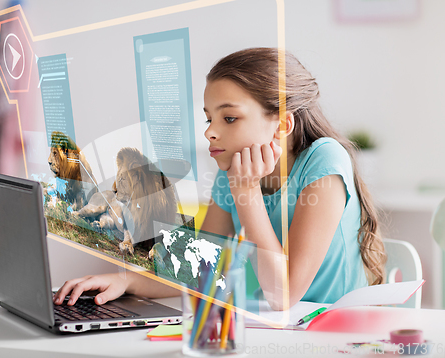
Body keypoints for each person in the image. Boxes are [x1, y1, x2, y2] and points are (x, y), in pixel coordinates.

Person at [53, 47, 386, 310]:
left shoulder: (324, 160)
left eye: (229, 117)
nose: (211, 132)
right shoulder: (233, 173)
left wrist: (246, 191)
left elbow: (283, 296)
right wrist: (126, 280)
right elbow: (202, 268)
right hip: (274, 330)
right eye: (209, 118)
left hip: (334, 334)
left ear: (282, 125)